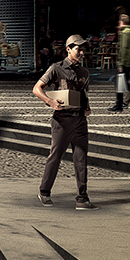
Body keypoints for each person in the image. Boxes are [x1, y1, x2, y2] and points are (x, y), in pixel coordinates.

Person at [33, 34, 96, 210]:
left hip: (80, 120)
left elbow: (83, 94)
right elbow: (37, 89)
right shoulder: (56, 69)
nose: (82, 52)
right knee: (55, 157)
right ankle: (44, 192)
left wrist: (87, 107)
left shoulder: (84, 73)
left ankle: (82, 199)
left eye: (84, 49)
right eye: (78, 49)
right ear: (68, 49)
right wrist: (50, 102)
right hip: (62, 120)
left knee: (81, 159)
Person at [108, 14, 130, 112]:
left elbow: (123, 49)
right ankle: (120, 104)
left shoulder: (125, 33)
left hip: (124, 62)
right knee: (123, 83)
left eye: (119, 22)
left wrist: (120, 63)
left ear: (122, 22)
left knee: (120, 83)